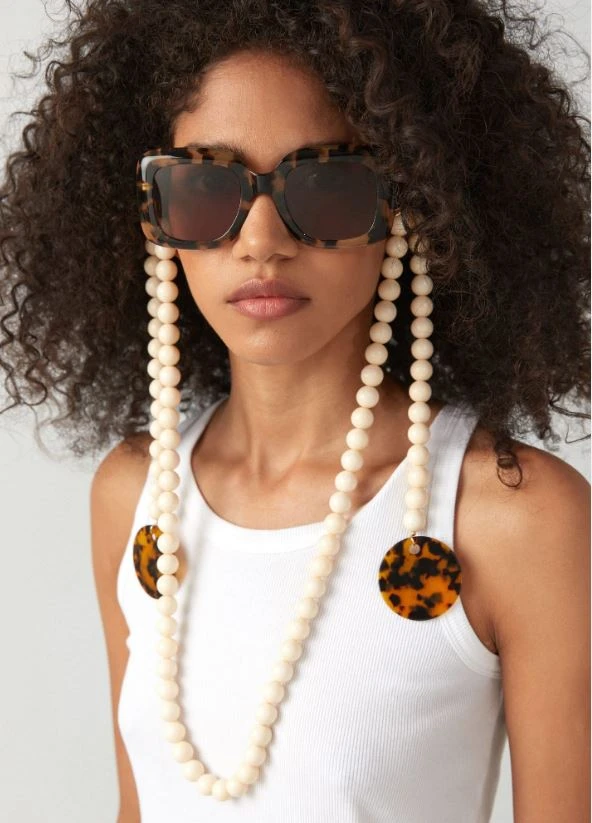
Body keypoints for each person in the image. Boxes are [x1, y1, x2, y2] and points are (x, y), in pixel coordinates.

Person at [0, 1, 590, 821]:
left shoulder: (511, 518)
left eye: (327, 185)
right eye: (204, 188)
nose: (262, 239)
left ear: (409, 202)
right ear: (153, 216)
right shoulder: (137, 499)